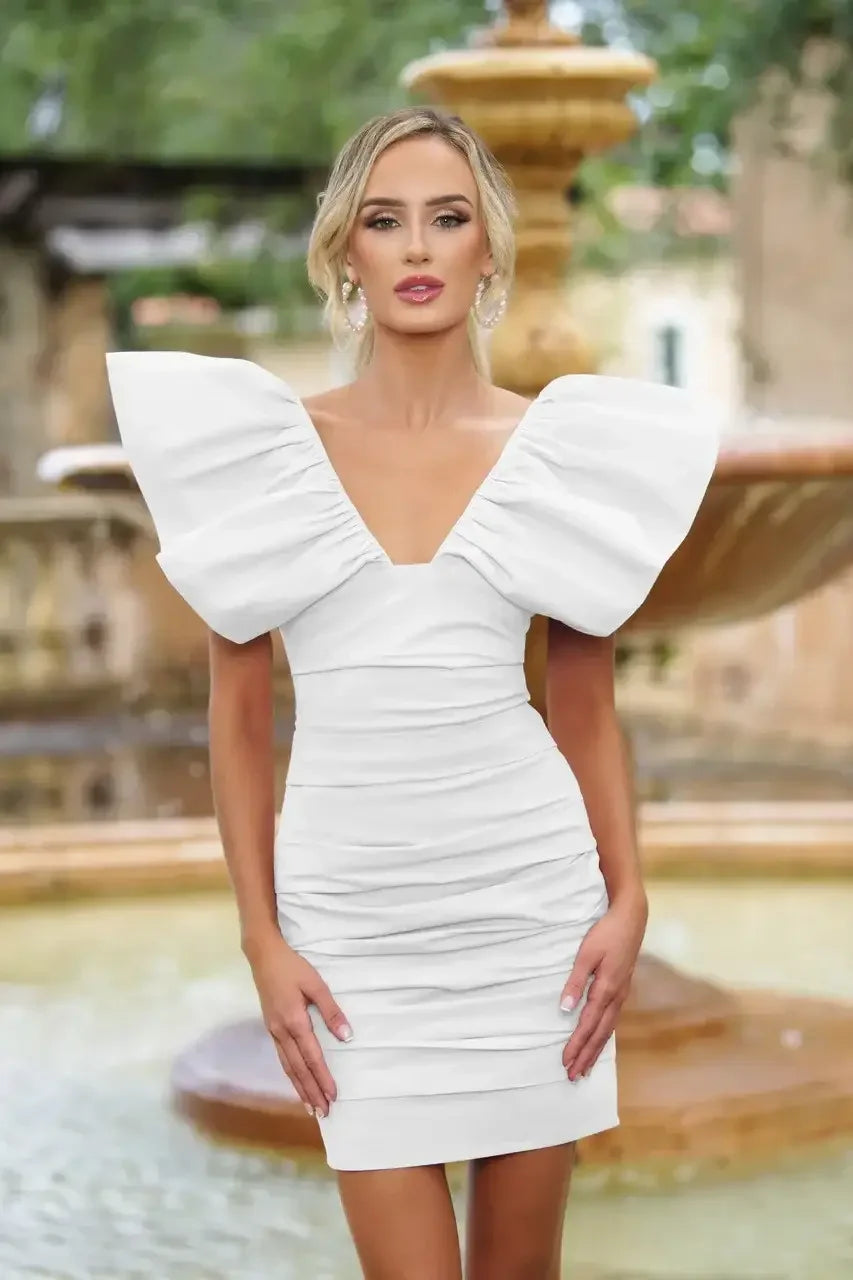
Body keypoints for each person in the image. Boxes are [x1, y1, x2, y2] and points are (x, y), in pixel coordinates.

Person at [107, 106, 720, 1279]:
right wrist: (261, 937)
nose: (420, 247)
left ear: (489, 249)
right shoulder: (265, 451)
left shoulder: (556, 449)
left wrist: (629, 894)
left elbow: (585, 708)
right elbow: (238, 719)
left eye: (448, 218)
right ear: (347, 250)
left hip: (531, 918)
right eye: (386, 221)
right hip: (350, 933)